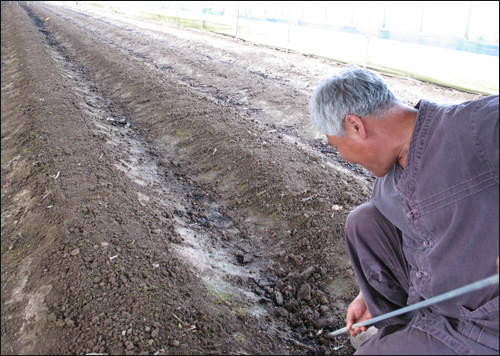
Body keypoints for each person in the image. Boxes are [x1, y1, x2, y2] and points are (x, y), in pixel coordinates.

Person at [309, 67, 499, 354]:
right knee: (364, 221)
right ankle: (401, 328)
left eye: (337, 146)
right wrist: (367, 295)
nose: (344, 158)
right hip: (433, 301)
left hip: (481, 324)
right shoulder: (389, 182)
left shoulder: (473, 127)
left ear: (356, 126)